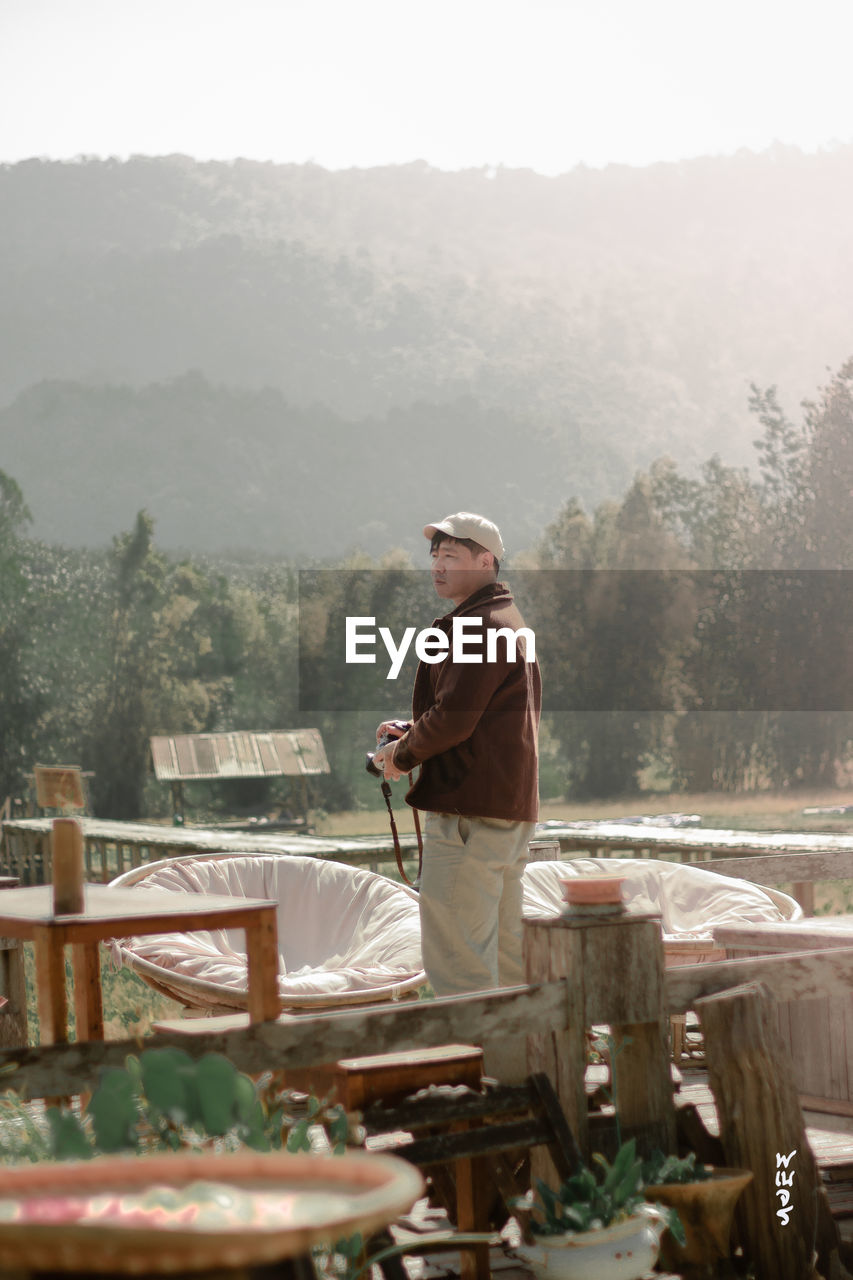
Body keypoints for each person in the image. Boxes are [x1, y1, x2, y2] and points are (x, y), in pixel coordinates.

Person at [373, 511, 541, 1009]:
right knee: (507, 960)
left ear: (485, 561)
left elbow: (454, 720)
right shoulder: (506, 621)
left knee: (458, 962)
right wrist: (414, 730)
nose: (438, 567)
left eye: (451, 556)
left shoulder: (480, 626)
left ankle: (479, 1079)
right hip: (504, 809)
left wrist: (400, 756)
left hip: (470, 814)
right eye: (435, 557)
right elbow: (477, 717)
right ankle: (521, 1074)